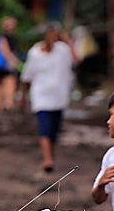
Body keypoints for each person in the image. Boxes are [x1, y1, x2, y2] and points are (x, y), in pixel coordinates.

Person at [19, 21, 80, 174]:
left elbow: (77, 60)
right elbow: (27, 77)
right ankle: (47, 159)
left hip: (59, 97)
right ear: (45, 36)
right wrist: (23, 97)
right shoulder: (35, 53)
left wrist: (67, 41)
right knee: (45, 127)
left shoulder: (63, 50)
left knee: (54, 129)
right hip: (41, 96)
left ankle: (49, 156)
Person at [0, 16, 23, 111]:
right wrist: (16, 62)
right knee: (10, 82)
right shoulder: (4, 38)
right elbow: (5, 52)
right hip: (6, 65)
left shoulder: (6, 37)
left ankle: (1, 105)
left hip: (1, 65)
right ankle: (8, 104)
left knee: (1, 84)